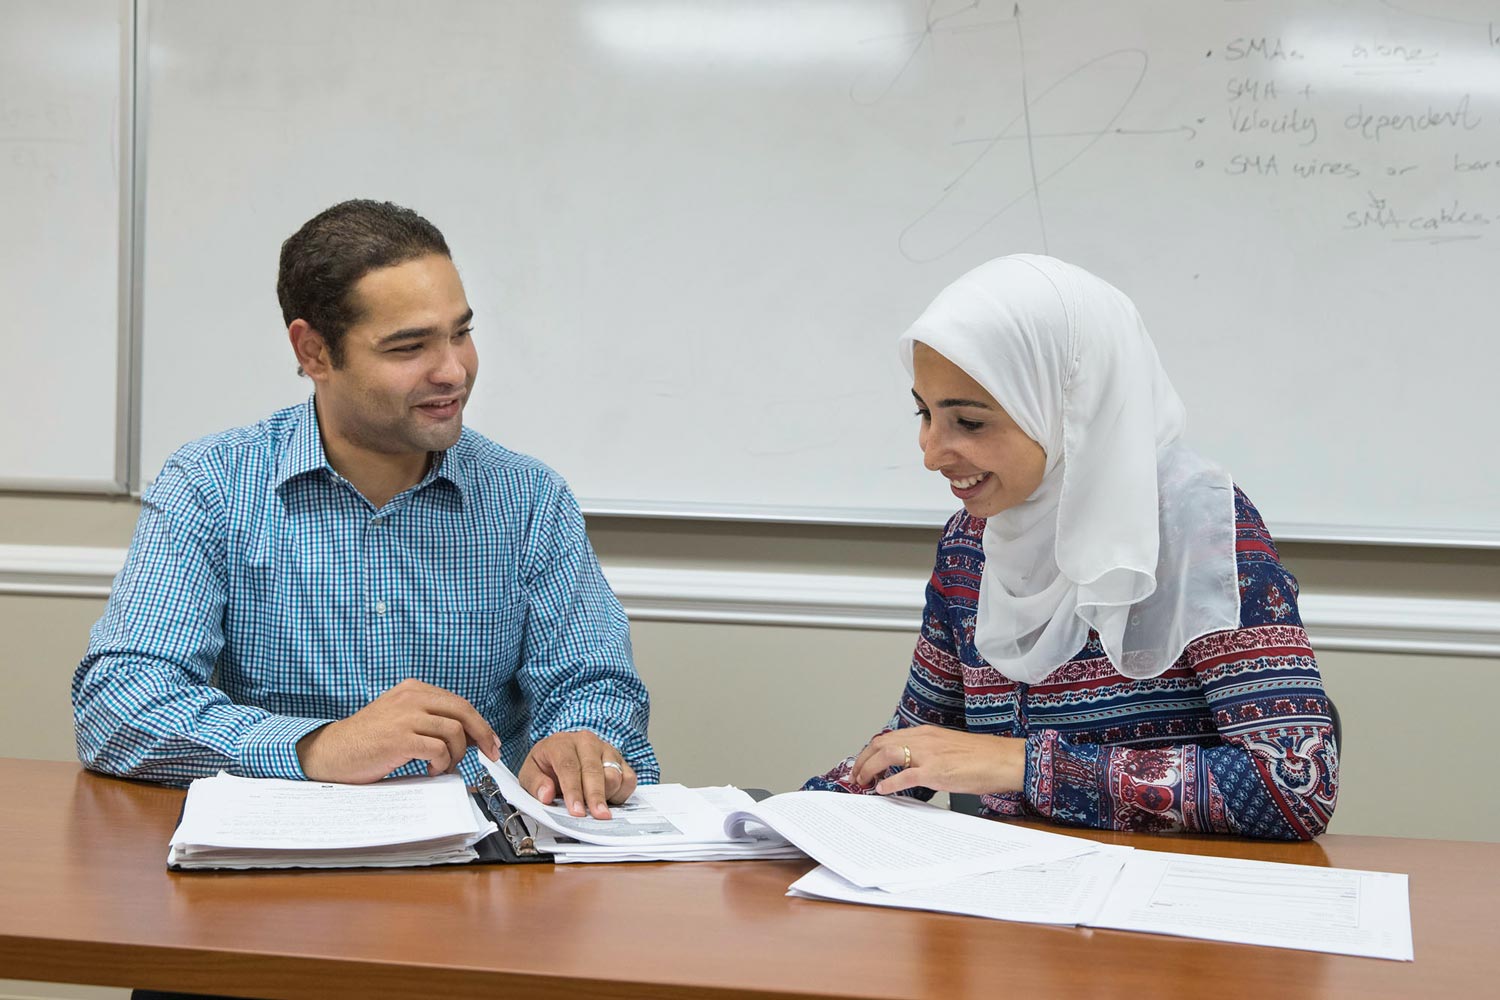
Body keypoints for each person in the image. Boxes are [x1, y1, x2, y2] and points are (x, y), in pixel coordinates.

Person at [74, 199, 655, 820]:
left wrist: (583, 747)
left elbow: (596, 685)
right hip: (280, 875)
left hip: (482, 878)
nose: (454, 370)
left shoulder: (528, 498)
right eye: (409, 347)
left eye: (461, 333)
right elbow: (121, 704)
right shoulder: (212, 486)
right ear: (314, 352)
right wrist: (318, 746)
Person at [805, 255, 1338, 840]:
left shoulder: (1199, 525)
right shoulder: (972, 542)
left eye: (970, 423)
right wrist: (786, 819)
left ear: (1071, 410)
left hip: (1170, 908)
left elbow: (1294, 784)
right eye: (924, 413)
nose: (931, 452)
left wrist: (1019, 765)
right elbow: (917, 740)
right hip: (1022, 898)